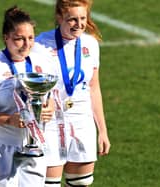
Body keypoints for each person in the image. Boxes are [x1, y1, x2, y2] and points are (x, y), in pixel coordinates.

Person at [0, 5, 55, 187]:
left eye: (30, 38)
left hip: (34, 148)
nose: (26, 44)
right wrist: (8, 119)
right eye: (19, 39)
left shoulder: (41, 64)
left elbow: (50, 97)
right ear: (6, 38)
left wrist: (49, 109)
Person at [33, 0, 111, 186]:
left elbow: (93, 87)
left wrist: (102, 131)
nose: (79, 24)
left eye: (83, 18)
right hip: (50, 122)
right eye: (72, 19)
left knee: (81, 184)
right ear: (59, 18)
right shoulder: (40, 44)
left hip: (82, 120)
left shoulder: (90, 44)